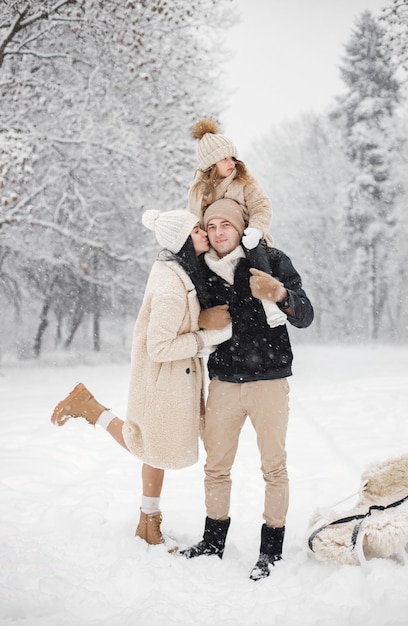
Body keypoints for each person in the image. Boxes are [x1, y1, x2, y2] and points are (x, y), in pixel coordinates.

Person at [50, 209, 232, 550]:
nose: (204, 233)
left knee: (151, 447)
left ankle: (147, 522)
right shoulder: (169, 284)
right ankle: (90, 409)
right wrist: (208, 337)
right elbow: (160, 346)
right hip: (163, 379)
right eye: (196, 230)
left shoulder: (178, 272)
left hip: (169, 379)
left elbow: (178, 325)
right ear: (180, 241)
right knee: (149, 446)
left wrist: (202, 321)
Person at [178, 198, 314, 580]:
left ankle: (271, 551)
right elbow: (184, 316)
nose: (219, 232)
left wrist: (280, 294)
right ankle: (213, 542)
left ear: (241, 228)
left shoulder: (270, 260)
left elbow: (305, 314)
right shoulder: (198, 268)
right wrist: (200, 317)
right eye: (213, 226)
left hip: (269, 382)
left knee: (274, 467)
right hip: (223, 381)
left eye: (227, 225)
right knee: (216, 467)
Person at [188, 117, 286, 329]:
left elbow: (261, 204)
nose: (231, 162)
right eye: (224, 159)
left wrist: (256, 228)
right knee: (197, 268)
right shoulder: (199, 191)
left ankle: (269, 303)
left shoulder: (243, 180)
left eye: (232, 157)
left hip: (248, 237)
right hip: (217, 243)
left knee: (255, 250)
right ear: (211, 164)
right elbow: (194, 219)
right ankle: (202, 317)